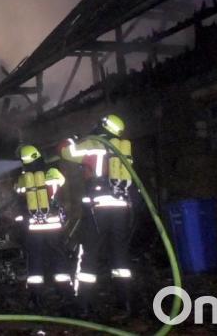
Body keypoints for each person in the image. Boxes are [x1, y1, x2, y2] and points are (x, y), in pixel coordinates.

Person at [58, 114, 134, 314]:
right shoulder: (122, 147)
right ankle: (125, 302)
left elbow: (66, 152)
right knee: (120, 256)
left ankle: (83, 305)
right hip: (121, 209)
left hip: (98, 209)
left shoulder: (94, 144)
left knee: (89, 254)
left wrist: (72, 139)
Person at [15, 144, 71, 305]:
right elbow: (61, 181)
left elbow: (17, 190)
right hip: (53, 225)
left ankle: (36, 296)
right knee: (59, 257)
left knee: (35, 260)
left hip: (34, 227)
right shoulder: (52, 172)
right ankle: (64, 292)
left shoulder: (24, 178)